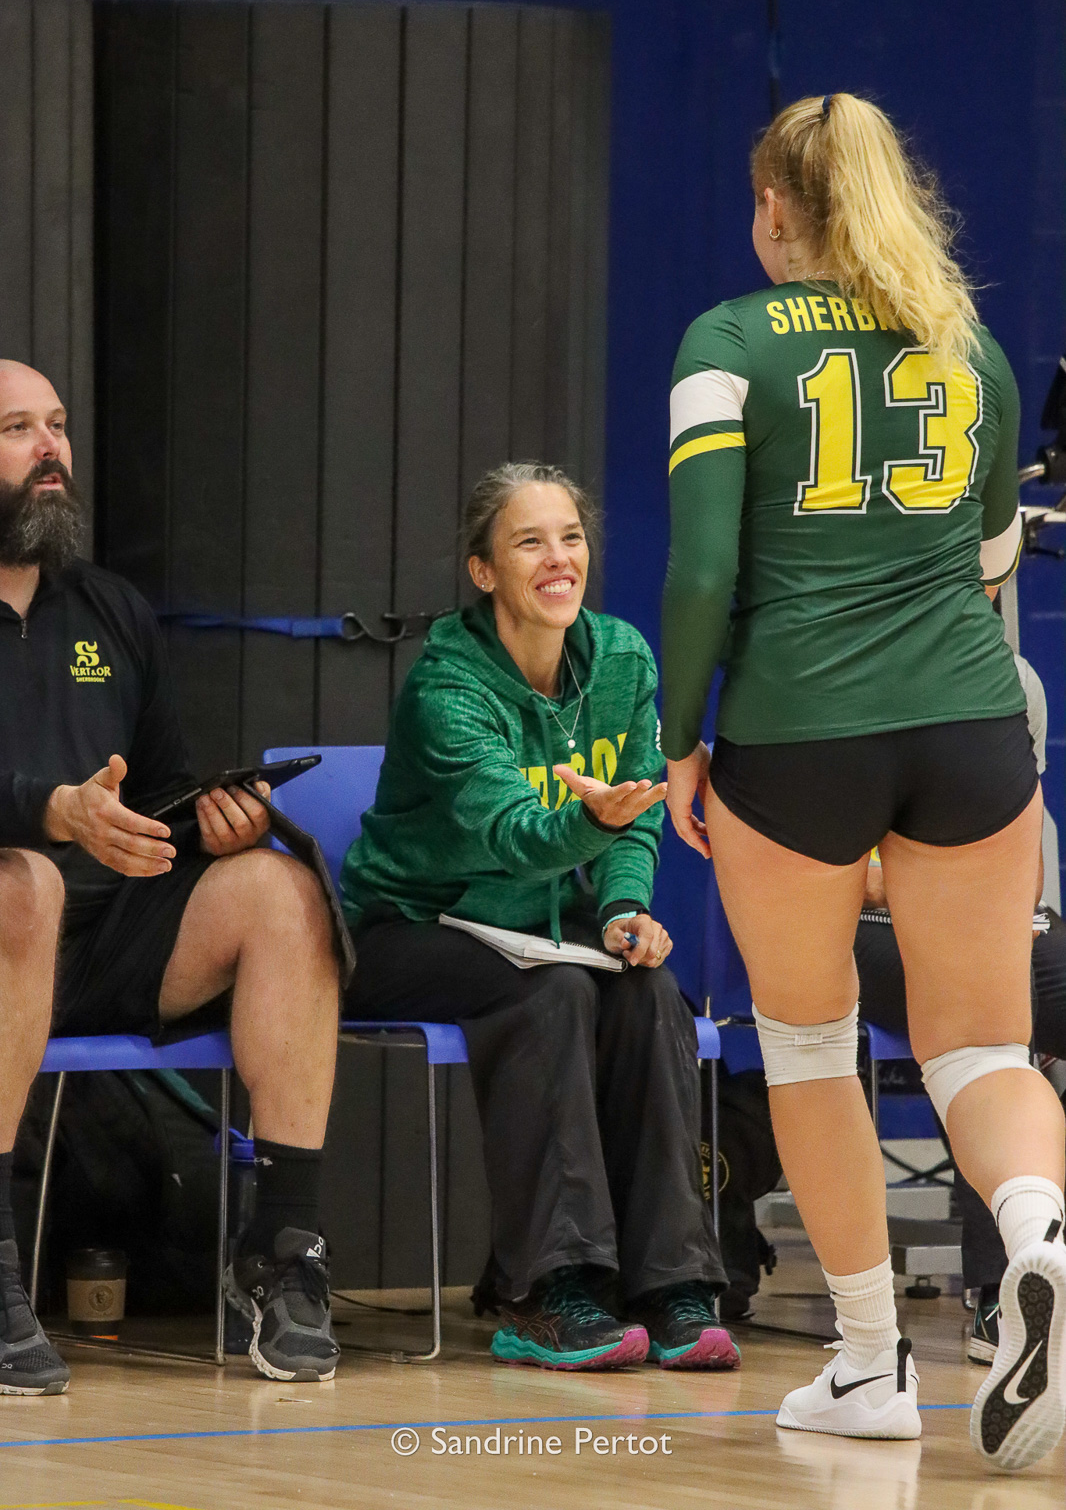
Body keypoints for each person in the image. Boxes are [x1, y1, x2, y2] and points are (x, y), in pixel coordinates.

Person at [660, 93, 1066, 1469]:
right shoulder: (972, 348)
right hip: (970, 728)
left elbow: (704, 571)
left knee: (808, 1044)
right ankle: (1036, 1231)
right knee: (982, 1050)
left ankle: (866, 1364)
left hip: (799, 735)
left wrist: (676, 736)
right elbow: (991, 565)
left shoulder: (724, 344)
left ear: (776, 207)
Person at [340, 461, 737, 1373]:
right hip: (412, 927)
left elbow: (638, 813)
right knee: (551, 993)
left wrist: (625, 904)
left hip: (546, 926)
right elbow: (513, 835)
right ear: (484, 572)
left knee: (649, 991)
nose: (559, 558)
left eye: (571, 537)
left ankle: (670, 1286)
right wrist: (592, 823)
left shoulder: (623, 658)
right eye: (530, 542)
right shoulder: (447, 689)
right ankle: (548, 1293)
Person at [0, 360, 341, 1392]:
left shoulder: (109, 610)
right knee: (27, 884)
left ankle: (281, 1251)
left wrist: (210, 824)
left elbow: (155, 794)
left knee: (280, 888)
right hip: (11, 918)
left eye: (58, 424)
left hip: (106, 939)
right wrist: (48, 811)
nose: (52, 448)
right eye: (17, 429)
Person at [857, 653, 1066, 1364]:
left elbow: (1023, 845)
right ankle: (999, 1292)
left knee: (1012, 971)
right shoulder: (845, 664)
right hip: (863, 924)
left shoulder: (1013, 679)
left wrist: (997, 903)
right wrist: (934, 889)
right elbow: (824, 869)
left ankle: (1044, 1253)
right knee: (993, 997)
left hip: (991, 914)